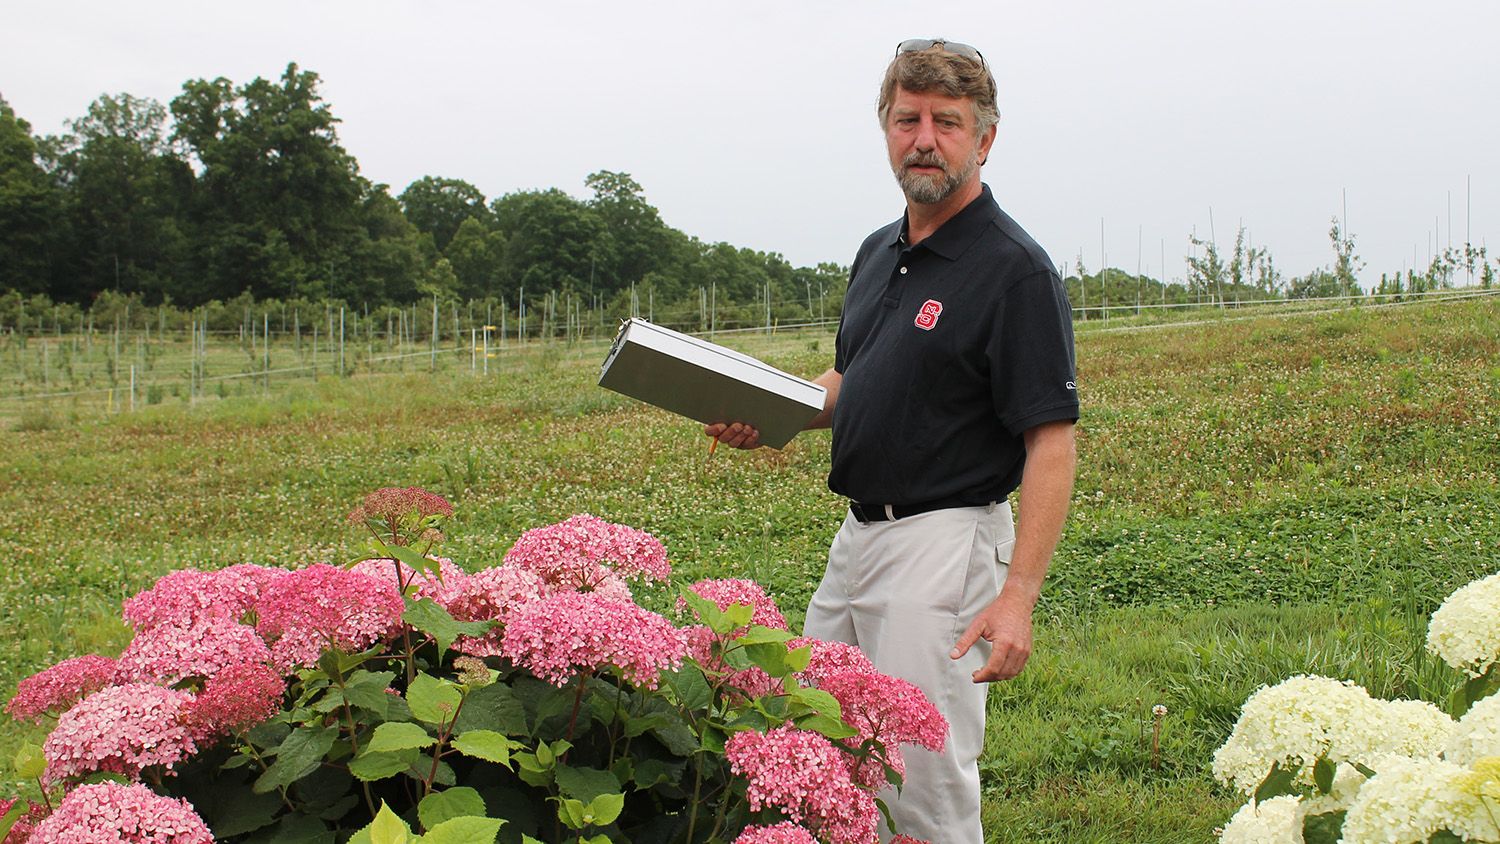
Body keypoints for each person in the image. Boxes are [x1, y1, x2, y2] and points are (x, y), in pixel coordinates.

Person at [708, 38, 1078, 843]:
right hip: (858, 539)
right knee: (821, 736)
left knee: (921, 773)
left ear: (984, 138)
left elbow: (1051, 441)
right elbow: (854, 386)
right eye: (907, 118)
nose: (924, 138)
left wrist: (1016, 597)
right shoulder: (879, 252)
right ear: (884, 128)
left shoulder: (1014, 270)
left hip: (944, 543)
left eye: (947, 122)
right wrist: (767, 414)